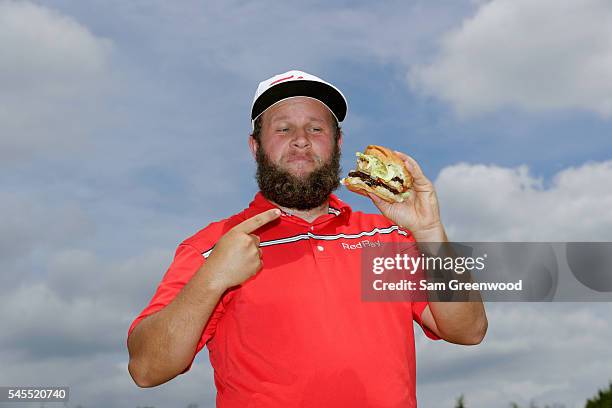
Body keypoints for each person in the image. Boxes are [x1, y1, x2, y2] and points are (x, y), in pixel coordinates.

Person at [127, 70, 487, 407]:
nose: (300, 141)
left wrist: (429, 232)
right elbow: (146, 369)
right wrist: (212, 279)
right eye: (283, 129)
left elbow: (469, 331)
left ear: (337, 143)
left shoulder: (389, 235)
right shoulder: (214, 246)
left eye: (316, 129)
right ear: (255, 146)